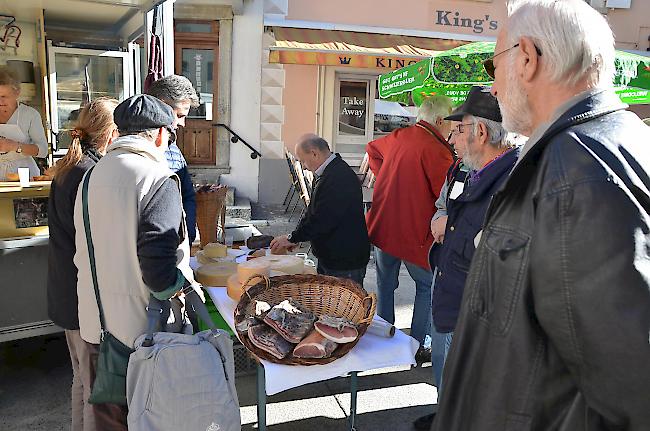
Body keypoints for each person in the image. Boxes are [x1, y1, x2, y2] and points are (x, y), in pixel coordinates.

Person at [434, 1, 650, 429]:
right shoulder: (600, 144)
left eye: (494, 67)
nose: (493, 88)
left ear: (527, 58)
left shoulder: (577, 165)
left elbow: (631, 388)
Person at [73, 95, 204, 421]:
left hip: (95, 326)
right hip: (140, 335)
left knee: (108, 421)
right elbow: (158, 266)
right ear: (161, 134)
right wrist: (182, 288)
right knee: (154, 418)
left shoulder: (91, 175)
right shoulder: (156, 177)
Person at [413, 87, 519, 431]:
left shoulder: (514, 182)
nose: (452, 138)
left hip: (477, 313)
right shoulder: (462, 168)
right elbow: (442, 206)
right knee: (448, 364)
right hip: (451, 290)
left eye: (459, 131)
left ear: (482, 133)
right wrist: (437, 221)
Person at [46, 98, 121, 431]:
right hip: (82, 297)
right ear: (110, 134)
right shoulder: (90, 174)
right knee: (94, 387)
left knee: (81, 379)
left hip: (65, 292)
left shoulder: (70, 167)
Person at [365, 94, 454, 358]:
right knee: (426, 287)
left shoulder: (398, 136)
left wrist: (387, 178)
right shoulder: (437, 150)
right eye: (450, 122)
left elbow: (372, 149)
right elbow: (445, 197)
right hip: (415, 234)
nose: (451, 128)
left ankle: (385, 338)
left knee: (385, 284)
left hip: (385, 226)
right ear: (439, 120)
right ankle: (415, 345)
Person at [270, 134, 370, 285]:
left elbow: (322, 219)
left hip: (344, 260)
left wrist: (292, 238)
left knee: (342, 306)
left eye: (303, 160)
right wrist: (296, 237)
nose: (303, 166)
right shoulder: (329, 172)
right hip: (333, 256)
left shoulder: (338, 177)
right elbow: (313, 211)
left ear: (314, 153)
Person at [145, 75, 199, 244]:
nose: (182, 124)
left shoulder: (174, 150)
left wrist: (188, 237)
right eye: (180, 115)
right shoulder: (135, 153)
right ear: (162, 106)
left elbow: (188, 196)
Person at [0, 66, 48, 180]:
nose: (0, 101)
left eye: (4, 96)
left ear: (17, 93)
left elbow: (43, 150)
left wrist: (15, 146)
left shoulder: (29, 115)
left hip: (24, 174)